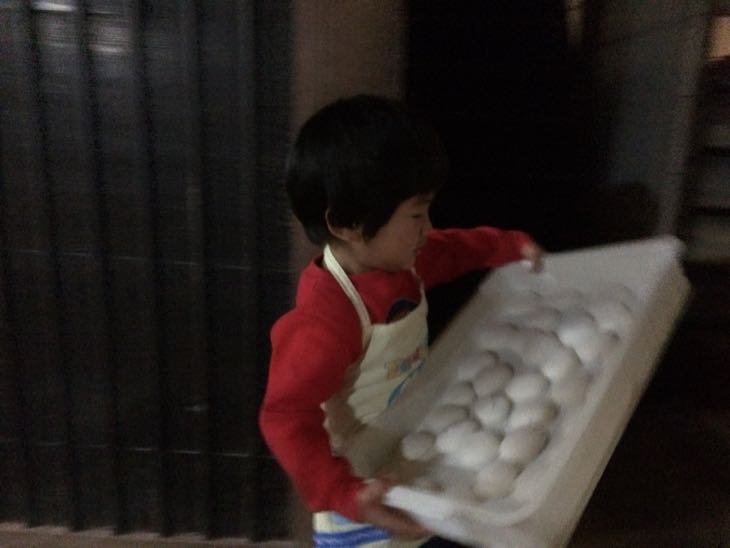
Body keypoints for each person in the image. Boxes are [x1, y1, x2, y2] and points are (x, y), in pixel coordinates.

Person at [259, 95, 543, 547]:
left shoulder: (402, 263)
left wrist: (507, 246)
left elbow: (454, 249)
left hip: (410, 454)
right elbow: (285, 414)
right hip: (360, 492)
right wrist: (343, 493)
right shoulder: (325, 320)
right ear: (348, 225)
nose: (428, 227)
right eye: (416, 213)